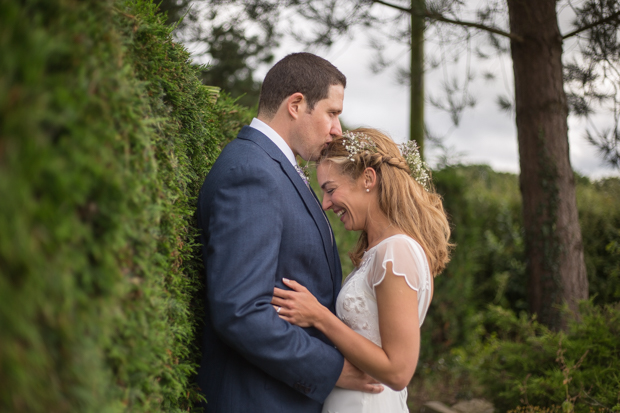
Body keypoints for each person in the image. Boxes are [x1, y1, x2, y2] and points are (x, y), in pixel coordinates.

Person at [195, 53, 381, 413]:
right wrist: (333, 369)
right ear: (296, 104)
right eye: (332, 112)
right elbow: (242, 310)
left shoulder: (275, 168)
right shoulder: (251, 173)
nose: (337, 130)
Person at [271, 128, 452, 412]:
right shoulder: (378, 251)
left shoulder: (396, 252)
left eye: (331, 190)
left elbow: (398, 371)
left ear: (368, 178)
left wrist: (319, 316)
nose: (326, 204)